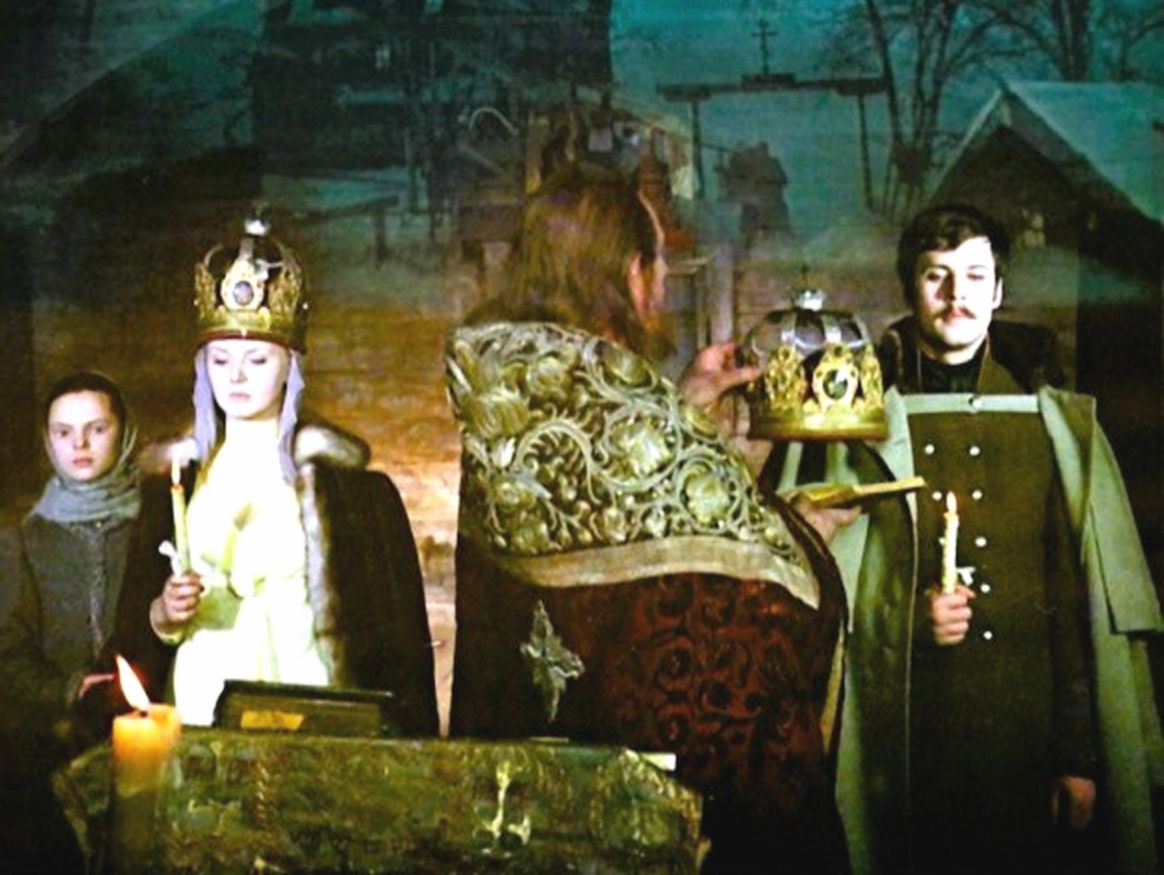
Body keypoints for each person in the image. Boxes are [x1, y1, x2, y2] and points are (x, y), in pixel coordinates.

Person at [445, 164, 850, 873]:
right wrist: (805, 533)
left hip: (537, 792)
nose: (663, 280)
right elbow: (751, 608)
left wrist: (683, 412)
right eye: (657, 260)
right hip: (648, 813)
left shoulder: (507, 402)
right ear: (632, 273)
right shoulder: (640, 423)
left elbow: (600, 505)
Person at [761, 203, 1162, 874]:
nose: (957, 296)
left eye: (976, 276)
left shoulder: (1050, 421)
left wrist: (1078, 756)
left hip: (1025, 736)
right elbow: (817, 585)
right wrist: (906, 618)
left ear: (999, 291)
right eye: (936, 276)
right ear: (909, 288)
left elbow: (1074, 601)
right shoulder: (854, 420)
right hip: (904, 737)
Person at [117, 216, 438, 735]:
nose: (236, 376)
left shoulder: (343, 486)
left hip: (310, 702)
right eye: (220, 360)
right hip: (201, 700)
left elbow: (390, 639)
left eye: (257, 359)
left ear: (290, 364)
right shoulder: (174, 477)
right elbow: (137, 624)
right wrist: (164, 614)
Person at [0, 370, 140, 870]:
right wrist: (68, 688)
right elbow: (6, 655)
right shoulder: (23, 541)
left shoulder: (154, 526)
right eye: (64, 432)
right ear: (48, 440)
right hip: (52, 752)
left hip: (148, 738)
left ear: (124, 433)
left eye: (96, 429)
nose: (79, 445)